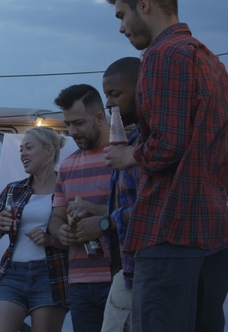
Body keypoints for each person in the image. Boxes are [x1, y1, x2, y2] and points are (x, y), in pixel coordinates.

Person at [105, 1, 228, 331]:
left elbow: (168, 144)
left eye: (121, 15)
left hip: (168, 229)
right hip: (212, 231)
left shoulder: (163, 54)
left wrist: (128, 156)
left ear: (143, 5)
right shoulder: (211, 60)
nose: (121, 27)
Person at [0, 126, 69, 332]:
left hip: (50, 274)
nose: (22, 154)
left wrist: (50, 240)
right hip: (12, 273)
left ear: (49, 150)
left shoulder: (67, 187)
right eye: (21, 149)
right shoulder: (14, 189)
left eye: (29, 148)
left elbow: (79, 239)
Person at [47, 84, 114, 332]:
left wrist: (96, 212)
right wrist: (60, 230)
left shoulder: (126, 157)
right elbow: (56, 217)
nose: (72, 132)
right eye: (67, 124)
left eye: (78, 123)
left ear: (99, 117)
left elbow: (140, 212)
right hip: (78, 280)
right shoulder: (67, 165)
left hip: (120, 278)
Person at [99, 57, 141, 332]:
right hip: (126, 268)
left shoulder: (144, 149)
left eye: (115, 94)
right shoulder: (131, 142)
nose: (109, 104)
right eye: (106, 96)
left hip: (140, 271)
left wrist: (105, 222)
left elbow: (149, 206)